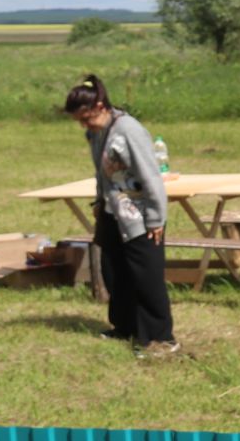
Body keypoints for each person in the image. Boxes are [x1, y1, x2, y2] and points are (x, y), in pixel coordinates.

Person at [64, 75, 176, 356]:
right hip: (112, 212)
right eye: (79, 120)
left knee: (146, 277)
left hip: (140, 216)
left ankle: (160, 338)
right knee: (114, 272)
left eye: (86, 118)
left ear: (101, 106)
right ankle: (125, 327)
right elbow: (101, 172)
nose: (84, 125)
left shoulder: (128, 130)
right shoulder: (96, 132)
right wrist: (100, 202)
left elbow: (150, 176)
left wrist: (155, 218)